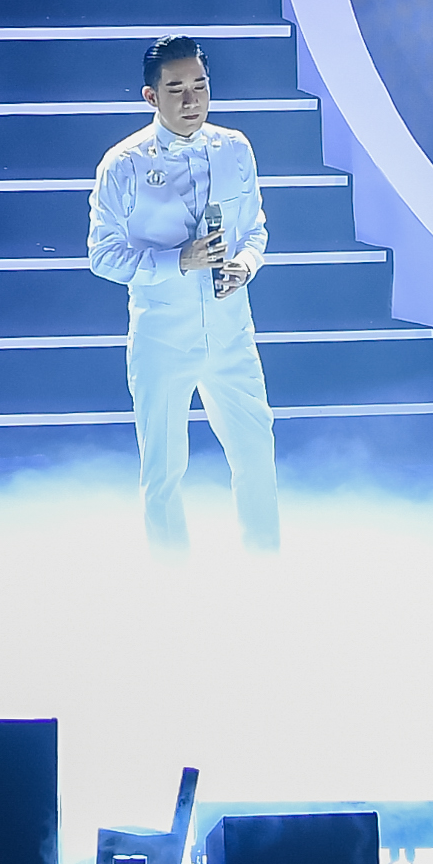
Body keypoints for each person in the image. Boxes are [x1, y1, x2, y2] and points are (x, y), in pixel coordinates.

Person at [88, 36, 278, 555]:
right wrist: (177, 261)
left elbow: (255, 229)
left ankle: (266, 568)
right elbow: (102, 255)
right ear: (151, 96)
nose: (192, 100)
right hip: (162, 336)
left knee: (256, 451)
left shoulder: (235, 148)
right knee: (164, 467)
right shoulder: (123, 164)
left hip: (231, 331)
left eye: (200, 85)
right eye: (176, 89)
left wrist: (245, 266)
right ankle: (173, 582)